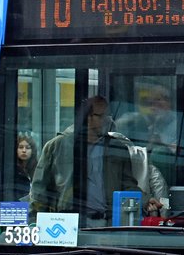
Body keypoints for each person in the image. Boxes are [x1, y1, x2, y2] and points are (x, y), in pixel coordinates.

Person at [29, 95, 144, 225]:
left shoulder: (116, 147)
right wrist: (34, 222)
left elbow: (128, 185)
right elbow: (40, 190)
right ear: (87, 118)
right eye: (101, 116)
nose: (107, 120)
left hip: (108, 222)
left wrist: (145, 201)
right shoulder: (57, 146)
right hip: (67, 222)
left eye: (108, 116)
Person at [9, 134, 38, 201]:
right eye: (21, 147)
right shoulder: (12, 170)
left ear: (32, 150)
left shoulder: (37, 169)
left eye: (27, 148)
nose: (24, 150)